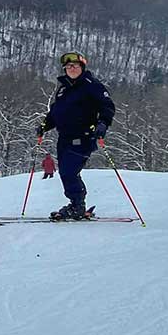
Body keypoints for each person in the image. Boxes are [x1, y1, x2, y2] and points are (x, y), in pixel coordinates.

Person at [38, 50, 115, 220]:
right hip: (64, 138)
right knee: (66, 172)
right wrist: (44, 126)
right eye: (68, 66)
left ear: (82, 67)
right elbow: (55, 112)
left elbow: (107, 107)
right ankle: (76, 203)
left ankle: (77, 206)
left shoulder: (91, 85)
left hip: (84, 137)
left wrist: (103, 124)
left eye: (75, 66)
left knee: (69, 172)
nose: (71, 69)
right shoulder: (63, 89)